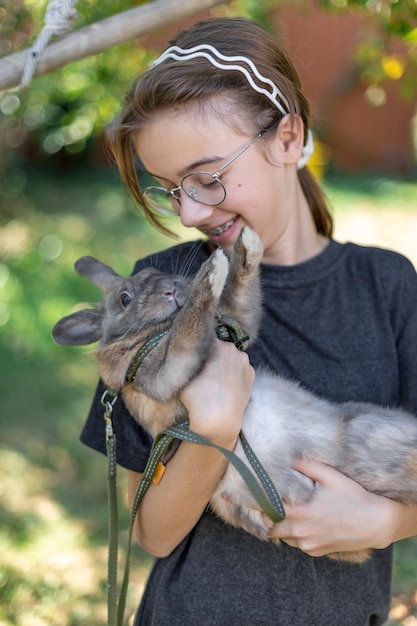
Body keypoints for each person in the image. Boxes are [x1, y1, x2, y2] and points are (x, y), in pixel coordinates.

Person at [80, 16, 417, 626]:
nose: (189, 213)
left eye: (207, 179)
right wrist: (214, 423)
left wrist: (390, 520)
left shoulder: (387, 285)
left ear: (288, 139)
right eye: (169, 189)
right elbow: (149, 531)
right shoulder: (157, 291)